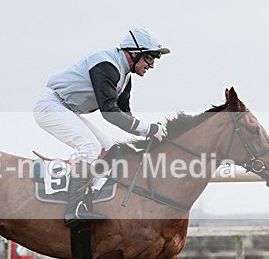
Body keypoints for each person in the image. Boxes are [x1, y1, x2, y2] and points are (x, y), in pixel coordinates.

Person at [33, 26, 170, 228]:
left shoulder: (125, 77)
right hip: (51, 106)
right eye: (150, 58)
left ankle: (88, 196)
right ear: (133, 52)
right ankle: (75, 207)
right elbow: (109, 113)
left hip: (67, 109)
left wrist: (148, 134)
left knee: (109, 148)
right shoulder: (106, 65)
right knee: (90, 147)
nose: (151, 65)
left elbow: (125, 115)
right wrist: (148, 129)